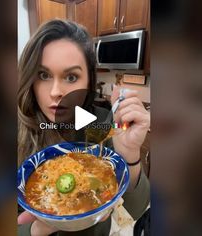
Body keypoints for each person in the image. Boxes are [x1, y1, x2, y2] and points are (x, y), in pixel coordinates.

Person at [18, 19, 150, 236]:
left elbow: (132, 211)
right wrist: (36, 229)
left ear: (89, 81)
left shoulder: (100, 123)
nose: (55, 92)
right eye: (43, 75)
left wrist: (129, 154)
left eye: (71, 77)